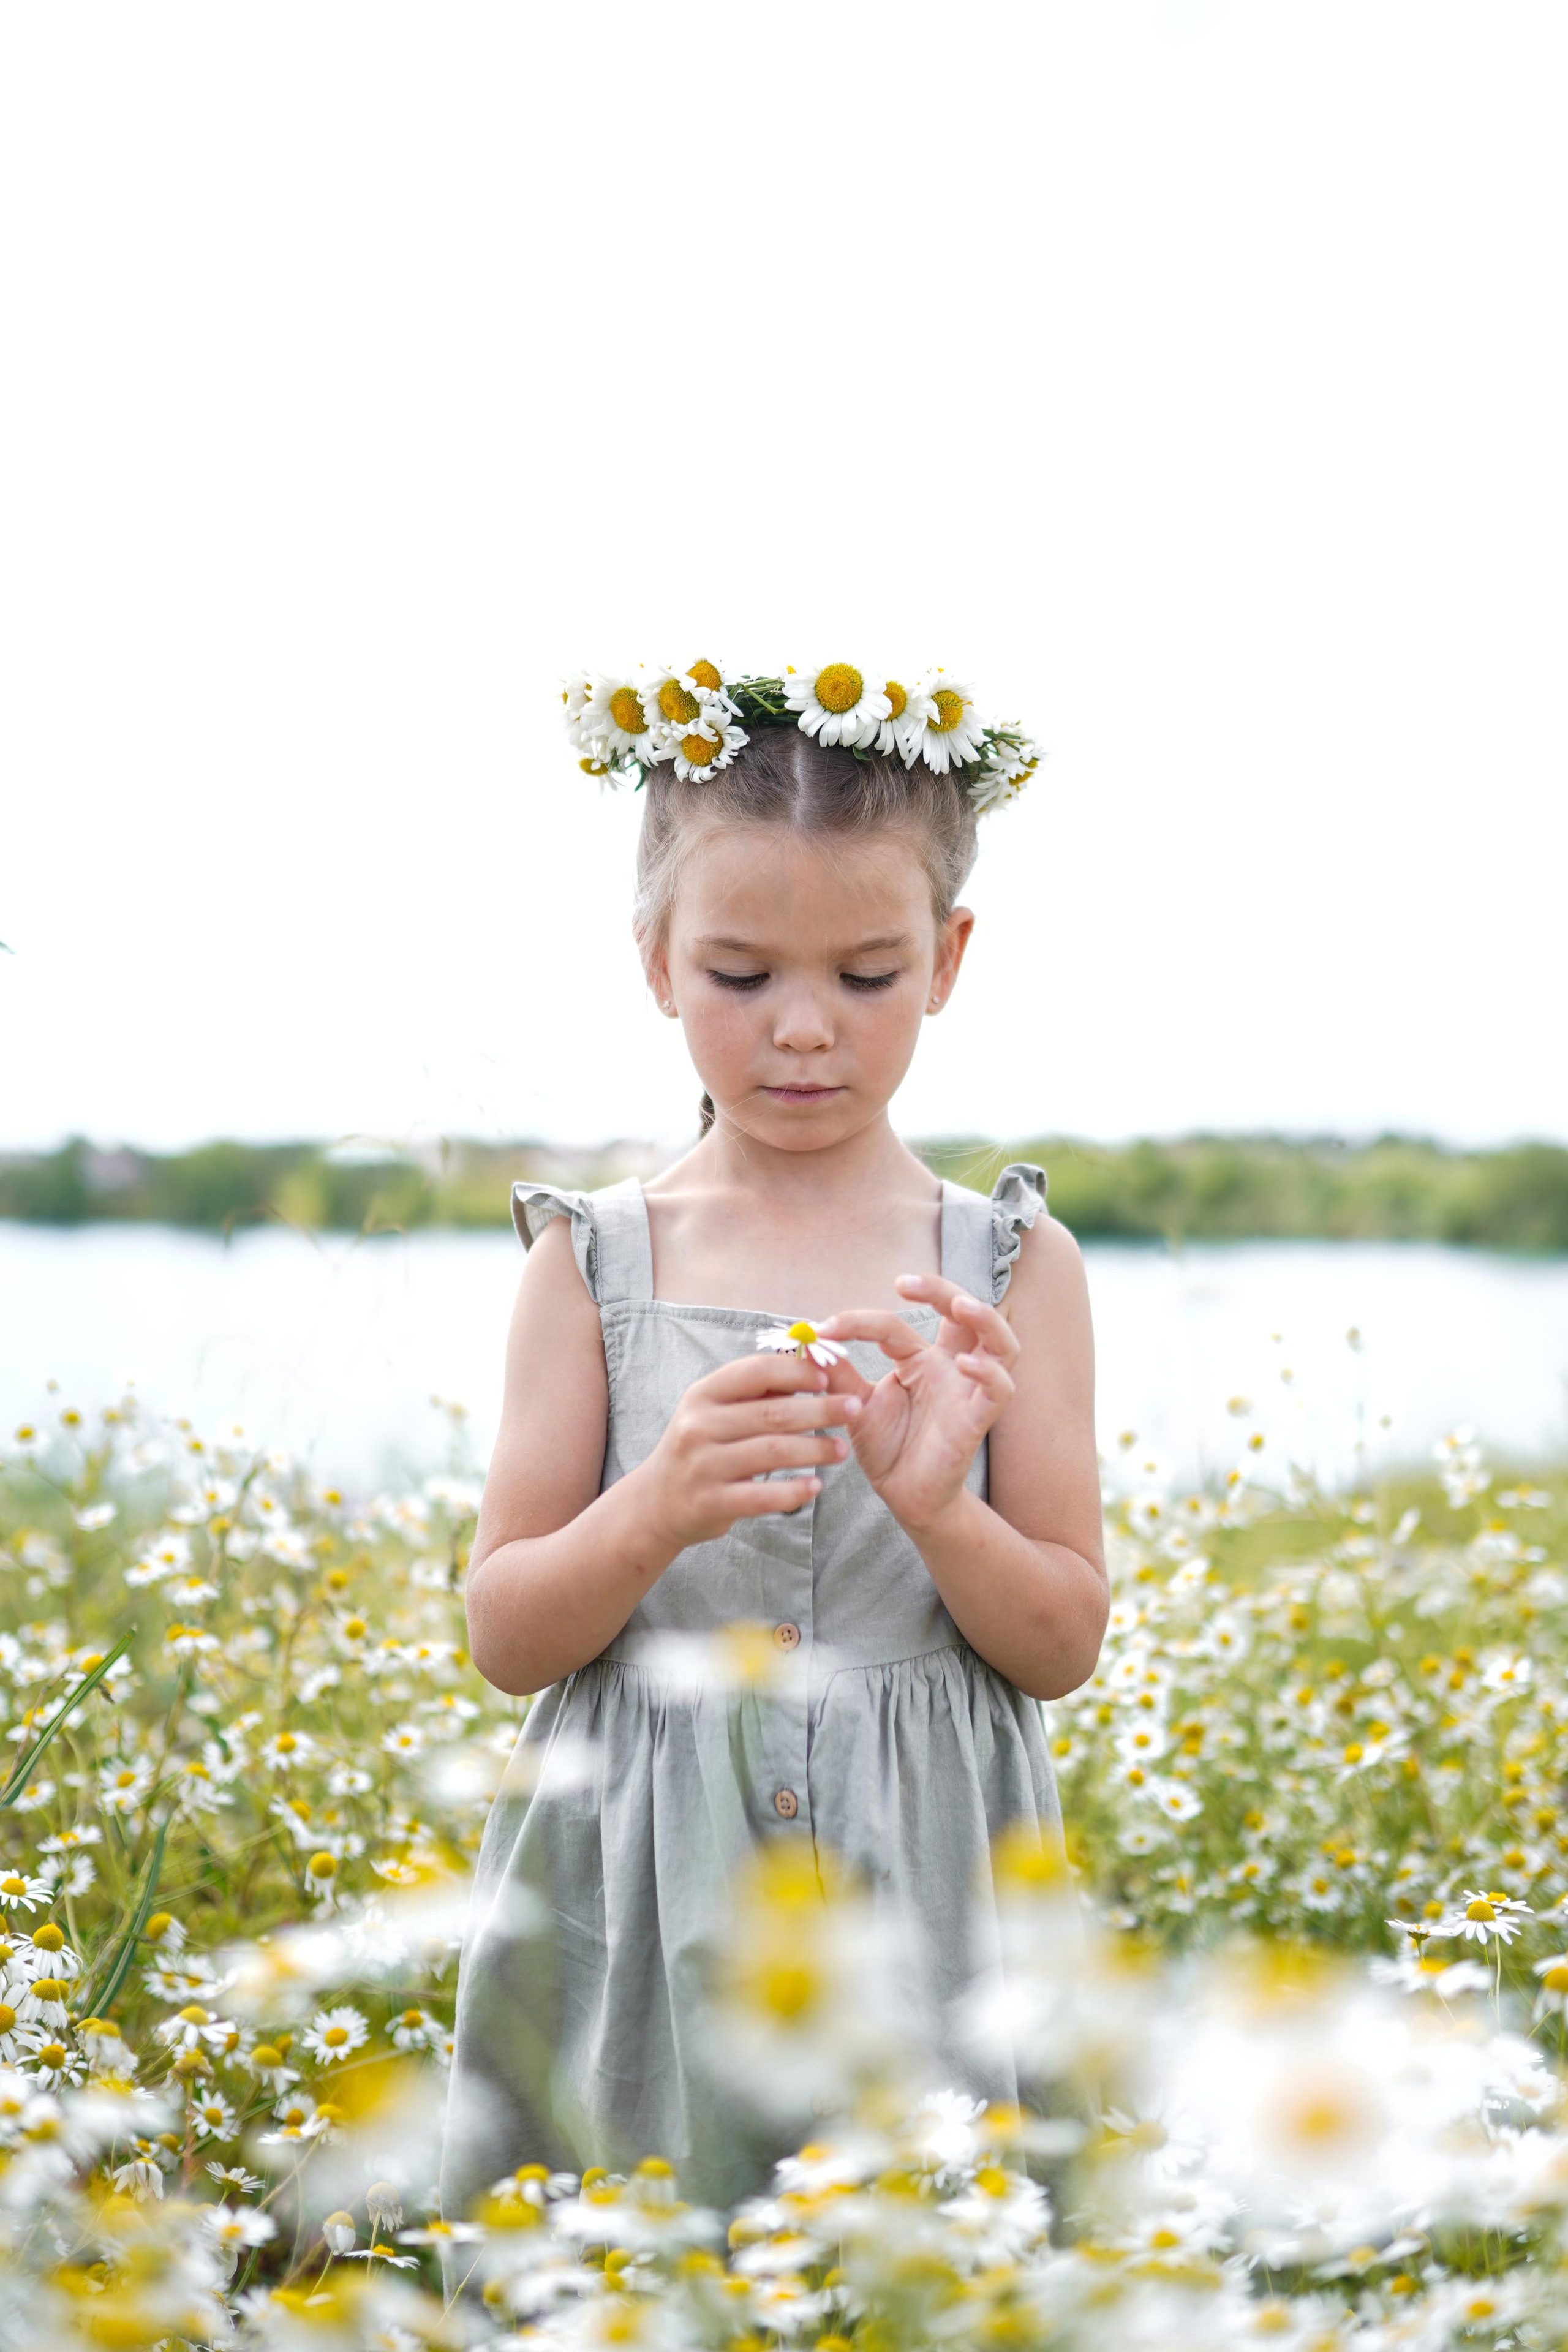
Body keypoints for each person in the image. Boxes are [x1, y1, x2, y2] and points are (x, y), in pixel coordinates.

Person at [443, 662, 1106, 2216]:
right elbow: (506, 1633)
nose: (802, 1031)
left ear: (945, 961)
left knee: (916, 2267)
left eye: (865, 976)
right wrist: (655, 1506)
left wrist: (941, 1512)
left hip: (926, 1888)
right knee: (637, 2253)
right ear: (654, 963)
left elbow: (1061, 1639)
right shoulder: (590, 1263)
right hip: (640, 1886)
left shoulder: (1009, 1269)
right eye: (739, 975)